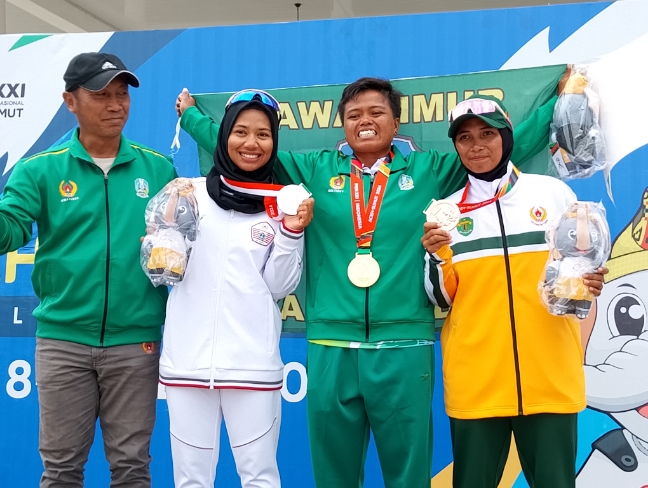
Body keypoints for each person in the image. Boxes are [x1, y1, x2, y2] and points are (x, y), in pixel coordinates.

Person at [175, 74, 565, 487]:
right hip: (331, 345)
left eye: (377, 112)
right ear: (343, 124)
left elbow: (508, 145)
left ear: (396, 124)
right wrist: (192, 118)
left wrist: (555, 105)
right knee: (334, 478)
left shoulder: (430, 170)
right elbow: (247, 153)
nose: (365, 120)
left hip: (405, 344)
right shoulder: (315, 169)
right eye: (354, 114)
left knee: (408, 476)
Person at [0, 52, 176, 487]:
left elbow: (180, 243)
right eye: (101, 95)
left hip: (136, 342)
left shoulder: (158, 168)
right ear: (70, 101)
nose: (116, 105)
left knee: (132, 469)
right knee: (61, 471)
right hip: (63, 342)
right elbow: (10, 230)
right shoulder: (40, 169)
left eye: (122, 94)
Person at [421, 94, 608, 488]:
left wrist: (590, 281)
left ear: (506, 137)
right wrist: (437, 256)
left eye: (487, 134)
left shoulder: (553, 194)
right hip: (477, 383)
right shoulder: (446, 213)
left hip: (549, 377)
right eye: (465, 138)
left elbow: (578, 274)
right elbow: (440, 298)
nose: (476, 146)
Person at [159, 90, 314, 488]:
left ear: (274, 142)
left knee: (259, 478)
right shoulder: (188, 192)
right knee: (190, 481)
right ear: (224, 134)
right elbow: (164, 271)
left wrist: (291, 232)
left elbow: (279, 286)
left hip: (253, 367)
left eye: (263, 134)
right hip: (187, 366)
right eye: (241, 132)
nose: (251, 143)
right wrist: (164, 235)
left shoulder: (283, 203)